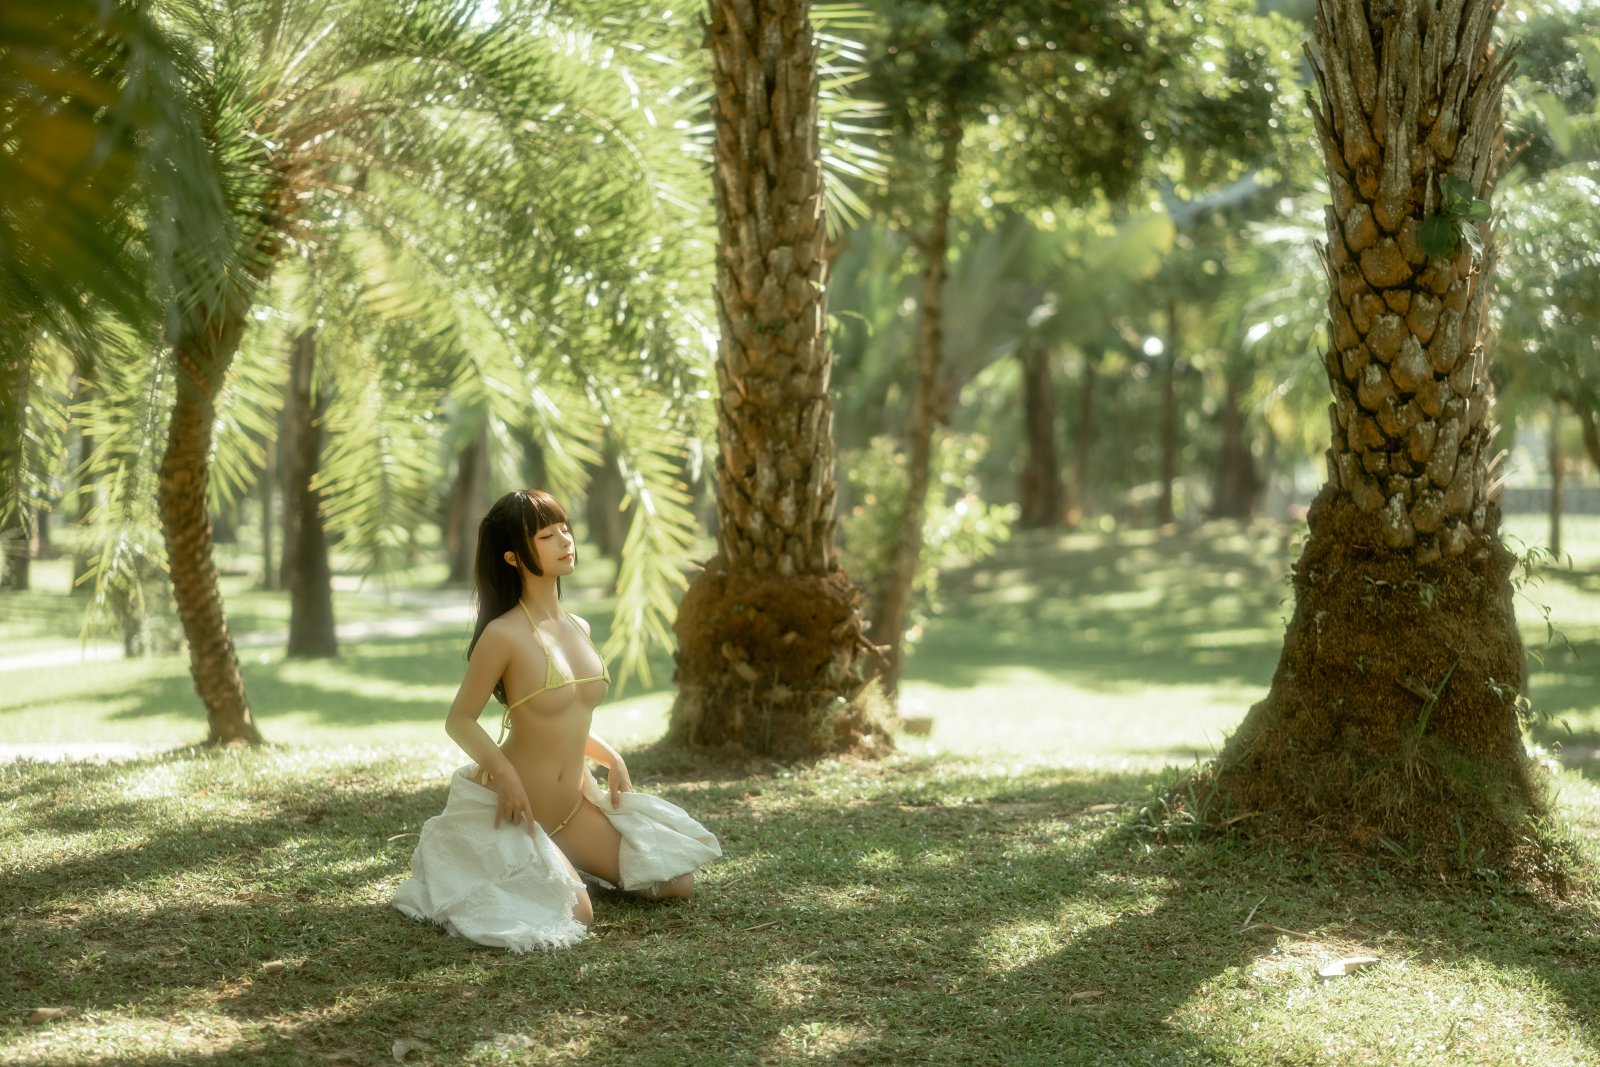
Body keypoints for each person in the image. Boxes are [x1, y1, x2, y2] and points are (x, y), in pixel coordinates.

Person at [394, 489, 720, 951]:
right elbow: (459, 720)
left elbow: (568, 714)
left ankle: (560, 857)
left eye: (564, 529)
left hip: (570, 810)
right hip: (516, 812)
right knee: (576, 914)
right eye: (546, 536)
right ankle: (518, 863)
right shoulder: (503, 634)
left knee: (675, 883)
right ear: (513, 557)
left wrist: (609, 755)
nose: (565, 540)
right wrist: (504, 774)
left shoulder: (578, 626)